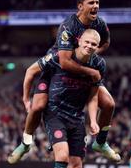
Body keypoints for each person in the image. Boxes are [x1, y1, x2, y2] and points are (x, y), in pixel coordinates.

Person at [8, 0, 119, 163]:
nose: (96, 6)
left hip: (83, 68)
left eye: (97, 2)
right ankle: (25, 142)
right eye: (91, 2)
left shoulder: (100, 24)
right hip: (56, 67)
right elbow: (65, 62)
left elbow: (106, 42)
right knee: (38, 106)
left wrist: (90, 54)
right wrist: (25, 98)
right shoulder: (68, 26)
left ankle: (101, 142)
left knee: (109, 104)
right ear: (80, 6)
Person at [43, 29, 102, 168]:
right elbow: (32, 71)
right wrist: (28, 99)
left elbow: (93, 96)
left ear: (97, 47)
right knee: (62, 156)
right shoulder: (60, 56)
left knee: (76, 163)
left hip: (77, 118)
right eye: (87, 42)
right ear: (79, 41)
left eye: (93, 44)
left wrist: (93, 121)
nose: (89, 45)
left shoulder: (99, 65)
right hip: (55, 114)